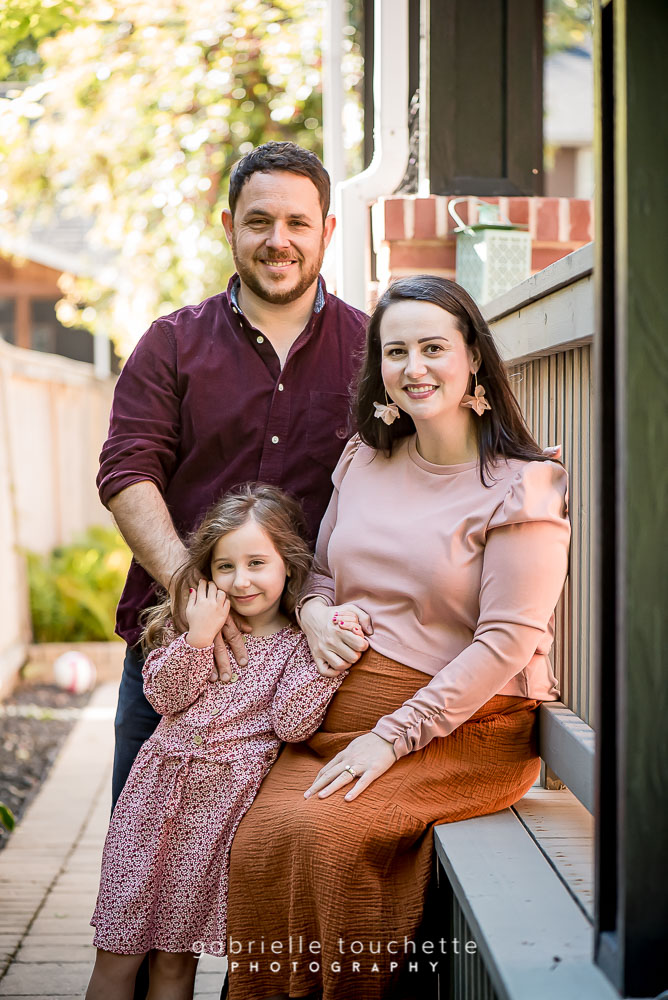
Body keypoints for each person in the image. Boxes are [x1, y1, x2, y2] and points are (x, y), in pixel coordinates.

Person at [225, 275, 571, 1000]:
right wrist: (314, 614)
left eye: (434, 348)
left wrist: (390, 738)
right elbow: (321, 573)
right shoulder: (364, 457)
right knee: (256, 839)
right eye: (396, 351)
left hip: (461, 729)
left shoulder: (524, 486)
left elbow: (506, 642)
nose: (414, 368)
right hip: (331, 721)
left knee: (325, 840)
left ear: (473, 357)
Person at [96, 140, 368, 816]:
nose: (279, 241)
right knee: (142, 847)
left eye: (298, 222)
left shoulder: (370, 351)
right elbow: (128, 470)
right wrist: (191, 591)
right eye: (259, 221)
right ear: (229, 227)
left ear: (327, 230)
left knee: (265, 862)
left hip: (301, 667)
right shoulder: (171, 343)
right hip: (175, 649)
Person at [86, 485, 352, 1000]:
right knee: (117, 953)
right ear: (207, 571)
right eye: (225, 566)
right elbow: (164, 696)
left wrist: (331, 661)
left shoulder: (298, 644)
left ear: (289, 566)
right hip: (151, 805)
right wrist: (198, 637)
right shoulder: (193, 624)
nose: (241, 580)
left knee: (174, 960)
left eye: (257, 563)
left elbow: (292, 724)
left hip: (216, 819)